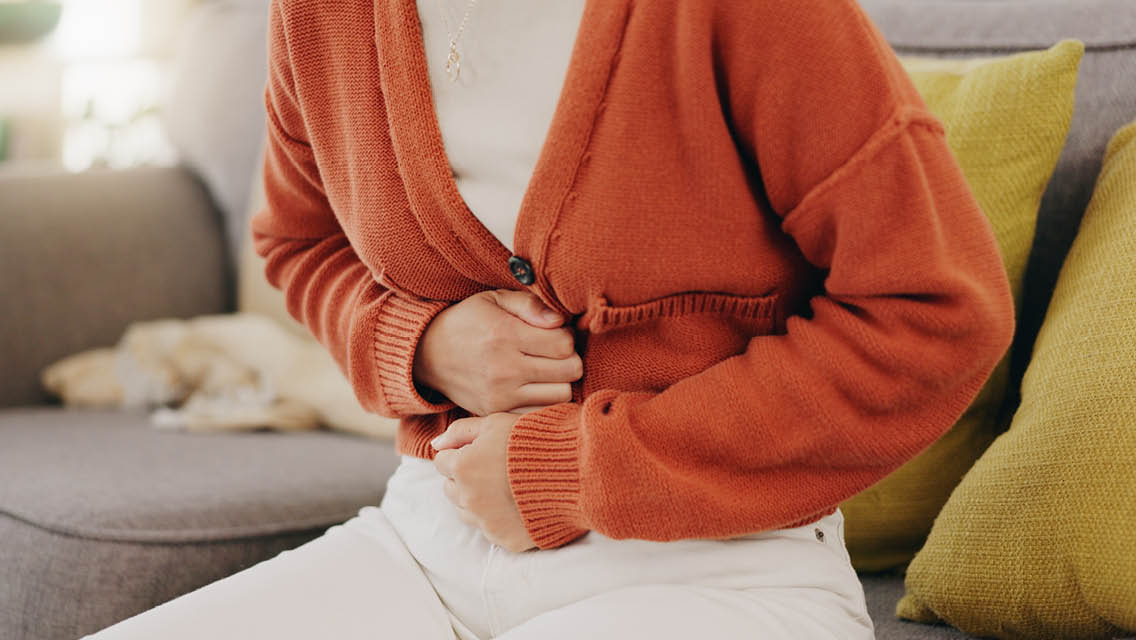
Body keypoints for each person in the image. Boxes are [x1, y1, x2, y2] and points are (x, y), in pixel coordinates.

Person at [87, 0, 1015, 638]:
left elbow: (936, 311)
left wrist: (575, 471)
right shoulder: (325, 15)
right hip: (428, 544)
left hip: (718, 572)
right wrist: (421, 345)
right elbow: (299, 242)